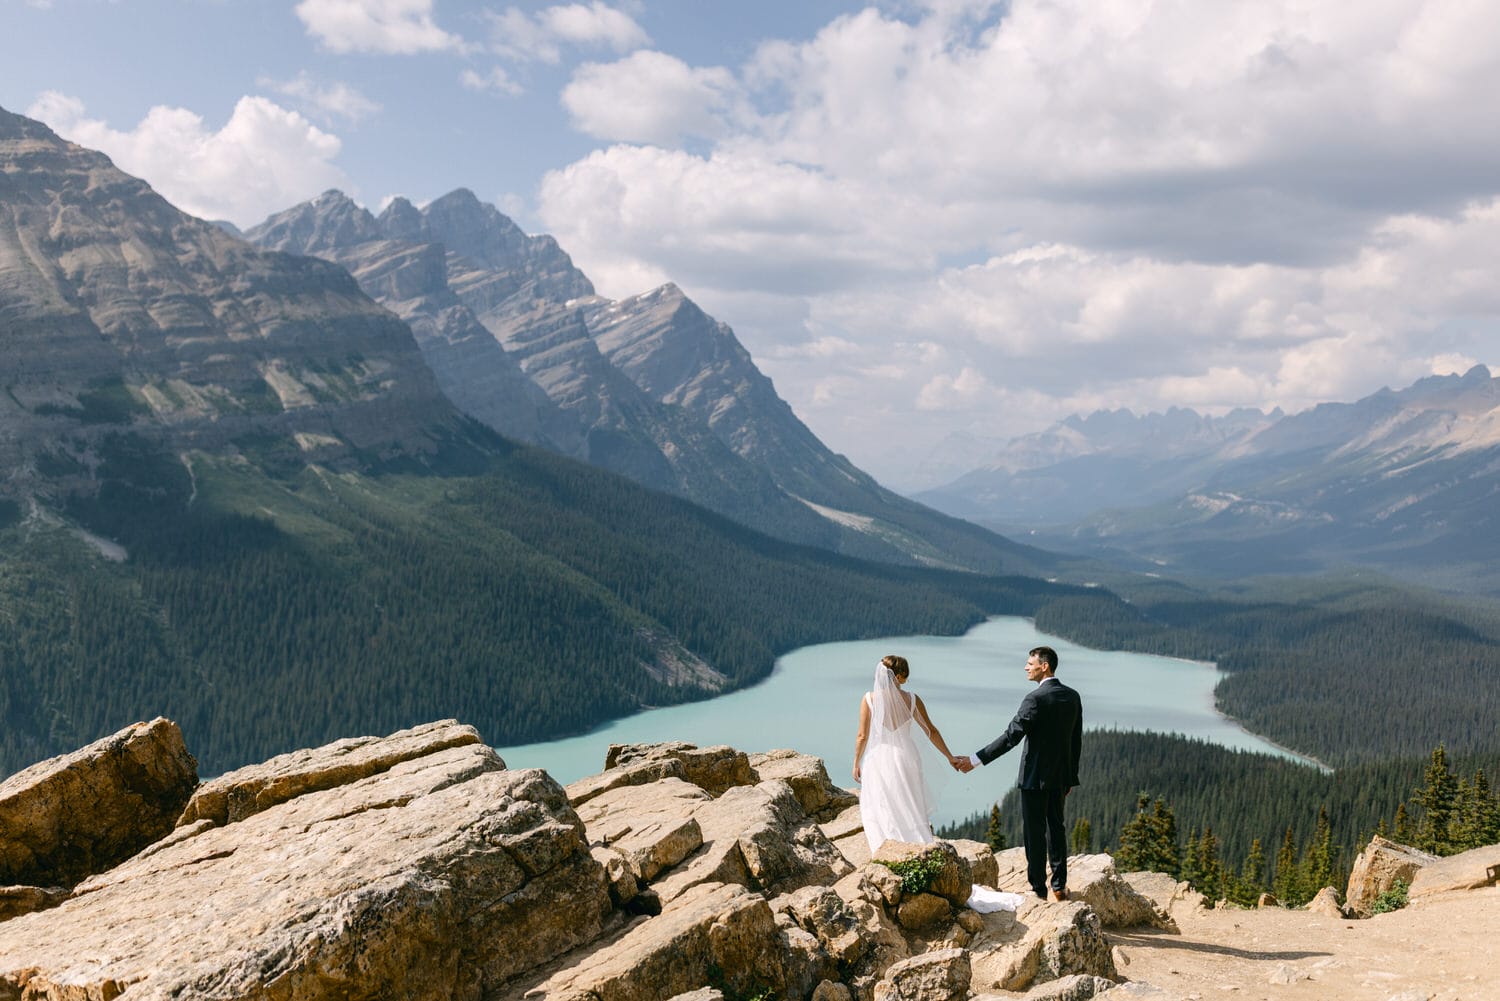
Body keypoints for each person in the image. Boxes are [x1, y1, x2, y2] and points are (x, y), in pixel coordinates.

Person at [854, 654, 1022, 913]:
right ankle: (916, 848)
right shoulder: (911, 700)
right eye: (905, 675)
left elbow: (862, 735)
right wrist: (949, 756)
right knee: (909, 804)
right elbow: (931, 731)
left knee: (881, 805)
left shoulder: (869, 700)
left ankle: (887, 852)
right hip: (906, 758)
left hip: (878, 759)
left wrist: (856, 762)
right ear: (900, 677)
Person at [956, 646, 1082, 901]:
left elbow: (1012, 736)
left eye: (1030, 663)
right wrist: (1070, 776)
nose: (1026, 667)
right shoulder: (1072, 696)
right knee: (1057, 828)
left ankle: (1038, 889)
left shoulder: (1034, 699)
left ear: (1044, 666)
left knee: (1034, 832)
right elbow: (1075, 739)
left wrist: (975, 760)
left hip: (1034, 778)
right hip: (1059, 778)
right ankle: (1059, 885)